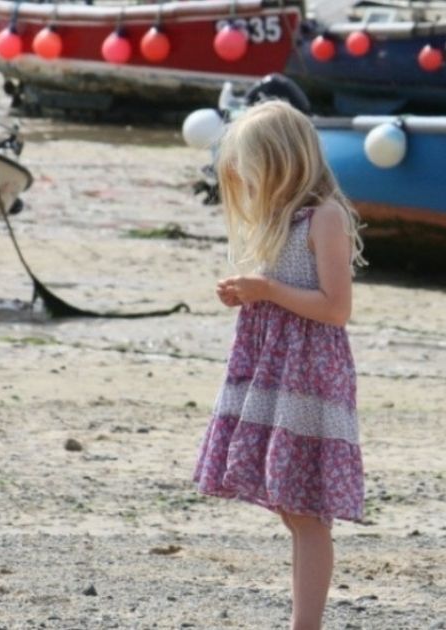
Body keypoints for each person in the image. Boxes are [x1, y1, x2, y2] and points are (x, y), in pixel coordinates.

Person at [192, 100, 366, 630]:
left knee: (308, 510)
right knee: (293, 508)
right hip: (276, 374)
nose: (242, 176)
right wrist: (249, 295)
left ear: (281, 162)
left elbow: (335, 308)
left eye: (250, 165)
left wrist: (266, 288)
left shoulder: (325, 217)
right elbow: (284, 294)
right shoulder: (277, 218)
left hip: (308, 378)